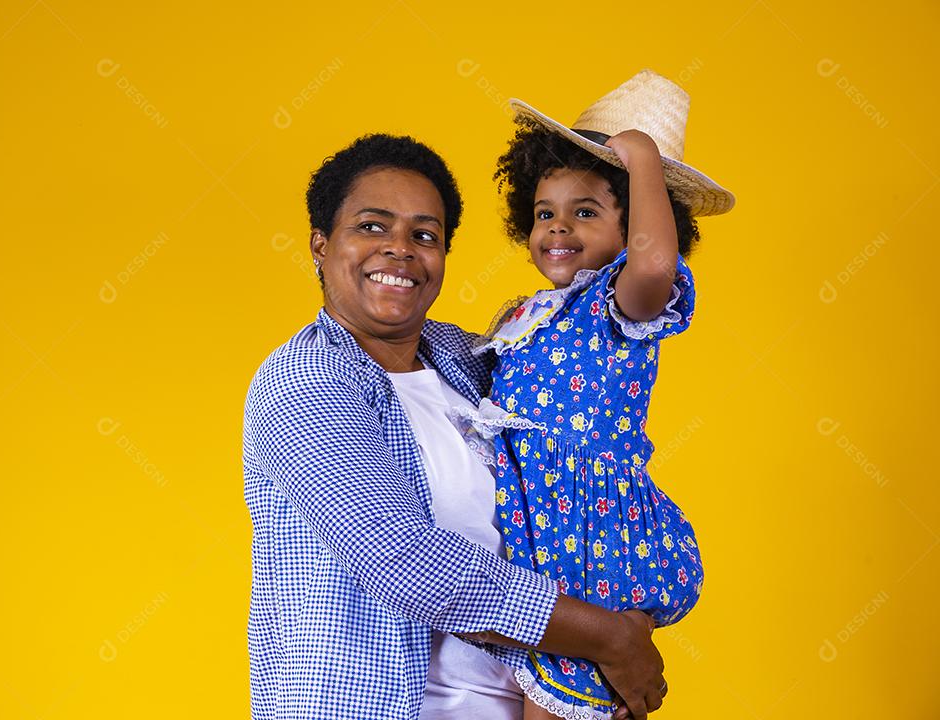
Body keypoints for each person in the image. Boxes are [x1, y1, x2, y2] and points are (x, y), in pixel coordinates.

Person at [243, 133, 667, 720]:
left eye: (424, 235)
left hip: (527, 698)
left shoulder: (471, 360)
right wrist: (607, 638)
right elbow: (404, 562)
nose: (400, 251)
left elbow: (572, 485)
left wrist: (615, 634)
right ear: (320, 243)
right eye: (371, 227)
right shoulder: (305, 380)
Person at [473, 70, 735, 719]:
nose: (557, 229)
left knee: (559, 702)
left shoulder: (620, 301)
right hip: (524, 538)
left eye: (585, 212)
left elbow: (653, 263)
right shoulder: (529, 311)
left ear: (639, 222)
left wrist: (642, 157)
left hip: (581, 543)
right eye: (544, 214)